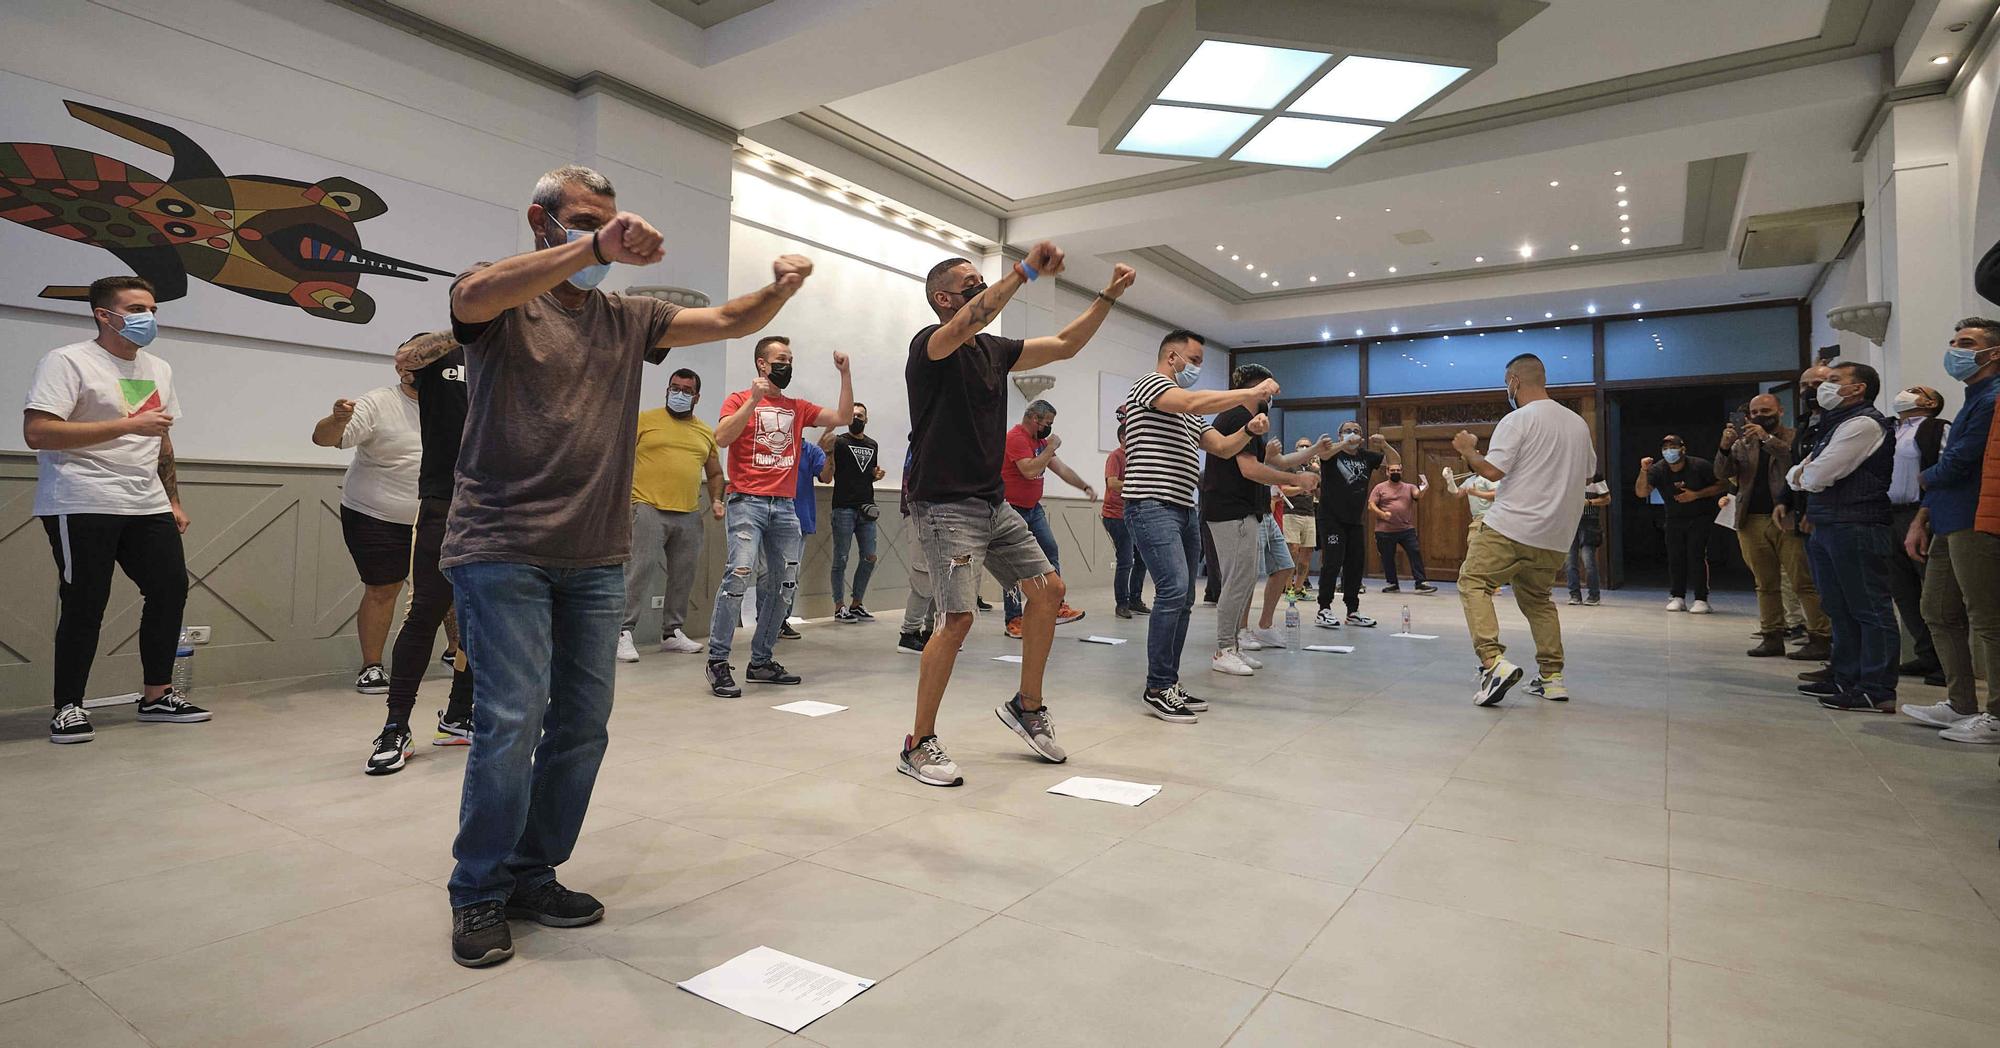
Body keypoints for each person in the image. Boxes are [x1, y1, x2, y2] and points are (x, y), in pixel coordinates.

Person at [442, 163, 810, 968]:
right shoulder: (499, 294)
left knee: (581, 727)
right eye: (581, 222)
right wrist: (590, 250)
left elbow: (725, 320)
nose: (600, 237)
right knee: (510, 720)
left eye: (606, 225)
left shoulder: (627, 316)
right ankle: (477, 891)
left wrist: (777, 288)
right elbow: (471, 302)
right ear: (541, 222)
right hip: (502, 543)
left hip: (596, 553)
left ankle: (531, 872)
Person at [899, 246, 1132, 786]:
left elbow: (1066, 345)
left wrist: (1107, 296)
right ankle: (918, 744)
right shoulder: (929, 346)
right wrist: (1023, 271)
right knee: (956, 619)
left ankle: (1028, 707)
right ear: (944, 297)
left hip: (991, 502)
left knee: (1048, 590)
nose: (983, 289)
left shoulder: (995, 351)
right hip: (943, 505)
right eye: (971, 282)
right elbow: (970, 319)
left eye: (985, 280)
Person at [26, 274, 209, 744]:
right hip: (82, 497)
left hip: (145, 499)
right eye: (135, 308)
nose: (147, 317)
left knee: (170, 590)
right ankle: (68, 706)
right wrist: (127, 425)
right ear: (103, 314)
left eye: (151, 308)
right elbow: (39, 432)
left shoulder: (159, 368)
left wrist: (172, 498)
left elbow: (161, 436)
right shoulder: (68, 361)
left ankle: (156, 695)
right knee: (86, 601)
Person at [1124, 330, 1279, 721]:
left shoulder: (1190, 416)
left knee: (1185, 598)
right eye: (1193, 360)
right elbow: (1192, 398)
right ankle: (1157, 686)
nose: (1196, 367)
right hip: (1150, 504)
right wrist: (1247, 394)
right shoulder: (1152, 385)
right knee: (1174, 589)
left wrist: (1248, 430)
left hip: (1183, 509)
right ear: (1172, 356)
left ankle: (1169, 682)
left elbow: (1222, 448)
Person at [706, 338, 852, 693]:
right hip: (747, 502)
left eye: (790, 359)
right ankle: (718, 661)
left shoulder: (797, 407)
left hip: (785, 508)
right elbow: (722, 437)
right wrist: (754, 401)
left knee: (785, 584)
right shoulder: (739, 400)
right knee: (739, 576)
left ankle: (761, 660)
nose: (787, 364)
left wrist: (845, 373)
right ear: (762, 365)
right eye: (780, 359)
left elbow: (844, 417)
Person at [1452, 354, 1595, 707]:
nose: (1507, 389)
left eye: (1506, 383)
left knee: (1473, 582)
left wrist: (1468, 451)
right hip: (1556, 535)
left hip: (1512, 525)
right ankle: (1552, 677)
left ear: (1515, 380)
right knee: (1539, 600)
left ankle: (1493, 662)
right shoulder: (1577, 423)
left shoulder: (1518, 419)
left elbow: (1492, 472)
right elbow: (1589, 474)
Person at [372, 331, 477, 774]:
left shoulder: (510, 353)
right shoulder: (442, 353)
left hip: (504, 503)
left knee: (482, 617)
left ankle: (459, 715)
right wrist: (474, 318)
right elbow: (406, 355)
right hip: (444, 499)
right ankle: (396, 726)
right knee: (426, 611)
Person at [1902, 319, 2000, 742]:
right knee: (1938, 610)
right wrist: (1923, 515)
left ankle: (1996, 715)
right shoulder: (1973, 398)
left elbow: (1962, 460)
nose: (1955, 350)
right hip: (1946, 516)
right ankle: (1960, 703)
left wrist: (1925, 478)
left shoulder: (1993, 398)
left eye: (1966, 344)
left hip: (1976, 517)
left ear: (1993, 353)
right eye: (1954, 342)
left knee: (1987, 617)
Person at [1786, 361, 1898, 714]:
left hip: (1857, 523)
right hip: (1829, 523)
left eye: (1834, 381)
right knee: (1839, 607)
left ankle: (1876, 687)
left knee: (1868, 608)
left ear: (1858, 388)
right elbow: (1797, 474)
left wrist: (1805, 472)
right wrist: (1804, 472)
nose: (1823, 387)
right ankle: (1845, 676)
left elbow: (1818, 475)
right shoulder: (1834, 425)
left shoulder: (1863, 424)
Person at [1203, 362, 1325, 675]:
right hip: (1230, 510)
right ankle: (1224, 649)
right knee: (1236, 581)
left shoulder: (1249, 419)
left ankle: (1234, 646)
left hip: (1245, 509)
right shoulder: (1236, 416)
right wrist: (1297, 481)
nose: (1273, 395)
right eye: (1271, 388)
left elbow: (1265, 463)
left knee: (1244, 580)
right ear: (1257, 386)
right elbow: (1249, 469)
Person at [311, 368, 421, 695]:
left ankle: (454, 654)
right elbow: (324, 438)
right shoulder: (379, 401)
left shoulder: (455, 402)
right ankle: (371, 667)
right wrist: (337, 418)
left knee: (448, 589)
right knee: (384, 588)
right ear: (403, 370)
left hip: (433, 515)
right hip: (375, 514)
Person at [617, 368, 723, 664]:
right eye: (674, 388)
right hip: (647, 507)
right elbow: (619, 458)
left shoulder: (704, 431)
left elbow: (715, 472)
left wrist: (716, 500)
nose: (678, 394)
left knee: (683, 576)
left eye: (686, 390)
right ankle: (622, 632)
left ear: (696, 397)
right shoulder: (644, 421)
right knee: (638, 571)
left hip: (688, 513)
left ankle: (672, 633)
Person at [1717, 394, 1831, 660]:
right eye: (1754, 412)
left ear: (1779, 410)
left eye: (1765, 411)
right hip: (1750, 518)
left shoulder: (1794, 436)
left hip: (1787, 517)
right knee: (1764, 583)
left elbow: (1795, 462)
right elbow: (1723, 474)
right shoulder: (1743, 443)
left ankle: (1821, 637)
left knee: (1803, 581)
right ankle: (1771, 636)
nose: (1759, 416)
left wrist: (1766, 439)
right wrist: (1724, 447)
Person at [1000, 400, 1094, 636]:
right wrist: (1050, 448)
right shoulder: (1016, 438)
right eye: (1048, 423)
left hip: (1033, 508)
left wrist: (1083, 486)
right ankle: (1014, 619)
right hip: (1012, 509)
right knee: (1011, 566)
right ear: (1035, 419)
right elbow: (1029, 470)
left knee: (1050, 551)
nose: (1050, 427)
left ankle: (1056, 606)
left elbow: (1061, 469)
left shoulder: (1040, 442)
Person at [1884, 385, 1948, 684]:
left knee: (1932, 588)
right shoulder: (1889, 430)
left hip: (1920, 514)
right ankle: (1925, 655)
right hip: (1888, 515)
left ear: (1930, 402)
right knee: (1902, 590)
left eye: (1914, 391)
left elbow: (1944, 470)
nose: (1904, 394)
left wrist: (1926, 514)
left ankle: (1946, 661)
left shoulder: (1936, 429)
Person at [1314, 421, 1398, 628]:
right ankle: (1324, 609)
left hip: (1354, 520)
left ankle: (1352, 611)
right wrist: (1343, 444)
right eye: (1347, 431)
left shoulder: (1366, 456)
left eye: (1356, 431)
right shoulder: (1332, 452)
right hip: (1331, 518)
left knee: (1355, 564)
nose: (1352, 434)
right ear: (1339, 434)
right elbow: (1323, 456)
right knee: (1332, 562)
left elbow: (1395, 462)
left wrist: (1385, 445)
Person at [1634, 434, 1724, 613]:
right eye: (1665, 448)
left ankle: (1701, 598)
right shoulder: (1658, 469)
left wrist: (1696, 495)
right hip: (1674, 518)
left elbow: (1722, 485)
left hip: (1700, 517)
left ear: (1683, 448)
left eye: (1673, 447)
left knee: (1696, 555)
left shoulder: (1700, 466)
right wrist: (1643, 471)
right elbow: (1642, 492)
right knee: (1675, 557)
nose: (1669, 451)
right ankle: (1677, 596)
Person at [825, 402, 885, 622]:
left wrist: (876, 475)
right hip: (843, 508)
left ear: (866, 419)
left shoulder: (872, 445)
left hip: (866, 508)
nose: (857, 418)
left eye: (860, 415)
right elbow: (830, 468)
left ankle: (857, 603)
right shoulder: (840, 442)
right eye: (853, 415)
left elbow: (868, 472)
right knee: (840, 558)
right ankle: (839, 605)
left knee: (869, 556)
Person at [1103, 407, 1150, 618]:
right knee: (1125, 560)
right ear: (1123, 436)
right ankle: (1121, 603)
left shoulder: (1138, 457)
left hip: (1135, 514)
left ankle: (1135, 600)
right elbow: (1112, 483)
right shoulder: (1116, 456)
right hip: (1116, 516)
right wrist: (1136, 483)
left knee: (1142, 559)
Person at [1369, 464, 1435, 594]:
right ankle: (1393, 583)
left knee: (1414, 552)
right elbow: (1371, 505)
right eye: (1393, 470)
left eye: (1398, 470)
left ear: (1402, 472)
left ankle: (1421, 583)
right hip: (1384, 530)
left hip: (1406, 529)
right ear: (1387, 472)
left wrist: (1424, 487)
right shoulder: (1379, 487)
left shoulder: (1409, 487)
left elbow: (1418, 495)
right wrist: (1382, 514)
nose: (1395, 472)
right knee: (1387, 557)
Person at [1280, 439, 1319, 598]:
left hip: (1309, 514)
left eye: (1307, 446)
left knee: (1307, 552)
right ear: (1295, 449)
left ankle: (1299, 588)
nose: (1304, 448)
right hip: (1291, 514)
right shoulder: (1289, 467)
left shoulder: (1313, 470)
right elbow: (1284, 490)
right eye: (1301, 446)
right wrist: (1301, 487)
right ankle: (1288, 587)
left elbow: (1318, 493)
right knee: (1293, 551)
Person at [1564, 473, 1609, 604]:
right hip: (1570, 522)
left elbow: (1607, 499)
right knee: (1569, 561)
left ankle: (1594, 595)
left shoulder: (1596, 477)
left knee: (1588, 560)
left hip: (1589, 523)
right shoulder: (1567, 474)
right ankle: (1574, 594)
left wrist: (1589, 502)